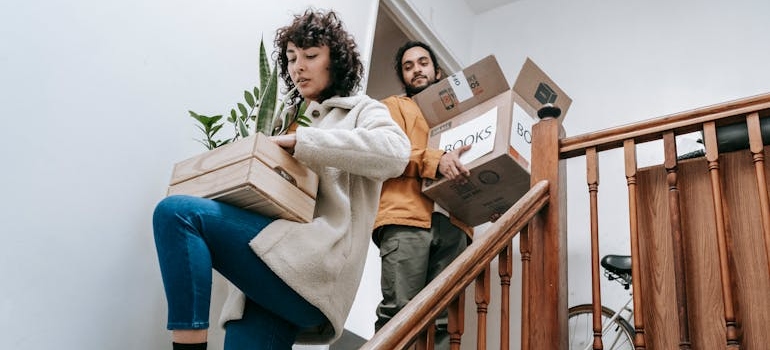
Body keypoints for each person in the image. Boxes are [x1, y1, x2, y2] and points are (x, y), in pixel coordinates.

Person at [152, 8, 410, 350]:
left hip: (309, 266)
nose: (298, 66)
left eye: (311, 55)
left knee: (177, 214)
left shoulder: (361, 109)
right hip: (264, 278)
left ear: (337, 61)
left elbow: (396, 153)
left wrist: (301, 141)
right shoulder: (281, 117)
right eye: (290, 58)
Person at [372, 41, 474, 348]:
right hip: (406, 220)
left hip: (454, 225)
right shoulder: (392, 107)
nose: (417, 69)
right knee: (398, 314)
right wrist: (436, 160)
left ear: (436, 70)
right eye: (408, 66)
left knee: (443, 323)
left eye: (423, 62)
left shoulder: (463, 114)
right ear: (403, 77)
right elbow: (389, 152)